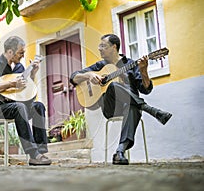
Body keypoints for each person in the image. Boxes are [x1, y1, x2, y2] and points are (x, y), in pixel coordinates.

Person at [70, 34, 172, 165]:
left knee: (132, 107)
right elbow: (74, 77)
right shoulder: (100, 65)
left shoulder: (131, 64)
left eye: (103, 46)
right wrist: (88, 75)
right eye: (99, 46)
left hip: (131, 106)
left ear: (114, 47)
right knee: (112, 85)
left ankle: (119, 152)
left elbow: (146, 90)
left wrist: (144, 71)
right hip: (111, 108)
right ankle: (150, 109)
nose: (100, 49)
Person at [0, 36, 51, 165]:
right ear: (10, 52)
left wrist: (33, 73)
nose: (22, 56)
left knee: (38, 106)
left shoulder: (19, 68)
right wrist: (10, 84)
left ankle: (40, 150)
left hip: (19, 106)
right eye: (20, 53)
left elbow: (26, 92)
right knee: (19, 107)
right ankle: (33, 153)